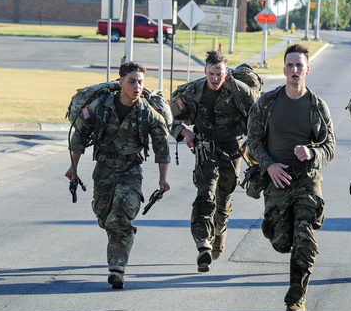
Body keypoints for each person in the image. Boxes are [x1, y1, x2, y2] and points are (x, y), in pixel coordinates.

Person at [245, 44, 335, 311]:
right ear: (284, 69)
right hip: (277, 179)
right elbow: (252, 142)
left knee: (304, 236)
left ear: (308, 69)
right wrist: (269, 165)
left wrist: (312, 152)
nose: (295, 70)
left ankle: (296, 298)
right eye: (290, 65)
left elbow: (330, 147)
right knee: (282, 240)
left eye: (300, 65)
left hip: (307, 180)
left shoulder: (317, 107)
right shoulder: (267, 103)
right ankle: (283, 234)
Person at [65, 62, 171, 290]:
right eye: (132, 81)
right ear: (121, 82)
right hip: (103, 168)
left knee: (121, 217)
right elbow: (80, 137)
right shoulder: (100, 106)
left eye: (140, 82)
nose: (137, 86)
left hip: (130, 170)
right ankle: (114, 238)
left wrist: (163, 178)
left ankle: (117, 269)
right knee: (104, 215)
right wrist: (73, 167)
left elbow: (162, 146)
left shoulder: (147, 112)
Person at [170, 49, 258, 272]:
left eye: (220, 73)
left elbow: (260, 119)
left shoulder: (241, 92)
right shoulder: (193, 92)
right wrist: (184, 133)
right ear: (205, 72)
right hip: (206, 146)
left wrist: (255, 146)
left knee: (224, 195)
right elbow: (168, 119)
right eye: (212, 74)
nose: (216, 78)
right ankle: (203, 246)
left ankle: (220, 231)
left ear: (226, 73)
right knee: (205, 193)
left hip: (232, 148)